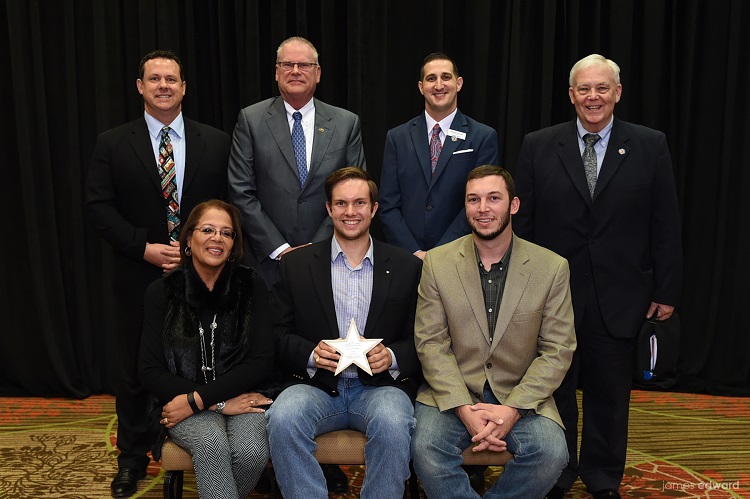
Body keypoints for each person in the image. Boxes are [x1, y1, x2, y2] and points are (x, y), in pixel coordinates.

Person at [513, 54, 683, 499]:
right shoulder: (539, 145)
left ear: (617, 93)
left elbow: (665, 223)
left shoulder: (650, 145)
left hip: (622, 294)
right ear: (571, 95)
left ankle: (604, 477)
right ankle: (558, 471)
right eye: (584, 89)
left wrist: (666, 290)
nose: (593, 97)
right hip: (554, 297)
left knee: (610, 395)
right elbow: (524, 225)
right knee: (556, 391)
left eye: (602, 88)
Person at [85, 50, 230, 498]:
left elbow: (230, 206)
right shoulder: (113, 143)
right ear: (140, 87)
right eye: (155, 79)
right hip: (136, 275)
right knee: (132, 374)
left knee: (205, 366)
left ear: (184, 87)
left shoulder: (216, 141)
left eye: (172, 79)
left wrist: (199, 251)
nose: (164, 85)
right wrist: (143, 249)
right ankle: (131, 460)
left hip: (204, 277)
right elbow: (97, 208)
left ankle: (217, 449)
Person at [411, 165, 576, 498]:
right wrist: (461, 408)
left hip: (521, 396)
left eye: (493, 198)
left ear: (513, 205)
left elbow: (558, 349)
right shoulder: (437, 263)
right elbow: (430, 343)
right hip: (452, 393)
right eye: (473, 200)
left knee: (551, 453)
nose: (483, 208)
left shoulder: (551, 267)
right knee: (426, 449)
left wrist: (512, 410)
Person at [266, 167, 422, 499]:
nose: (350, 212)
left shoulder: (408, 266)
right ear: (328, 208)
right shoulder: (296, 264)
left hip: (380, 389)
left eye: (359, 203)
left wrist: (393, 356)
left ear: (374, 208)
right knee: (282, 418)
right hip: (315, 386)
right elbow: (276, 334)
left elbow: (423, 337)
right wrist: (310, 353)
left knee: (395, 423)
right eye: (341, 204)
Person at [138, 200, 273, 499]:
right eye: (208, 230)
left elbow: (261, 360)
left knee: (251, 452)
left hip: (240, 396)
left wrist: (202, 399)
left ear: (234, 244)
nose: (217, 238)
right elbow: (149, 370)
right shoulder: (162, 291)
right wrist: (211, 403)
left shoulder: (251, 286)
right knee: (211, 442)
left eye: (227, 233)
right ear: (189, 238)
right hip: (179, 400)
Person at [228, 36, 367, 289]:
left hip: (331, 260)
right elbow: (240, 191)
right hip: (266, 265)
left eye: (303, 65)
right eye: (287, 64)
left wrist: (316, 248)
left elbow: (356, 191)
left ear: (318, 73)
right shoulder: (251, 120)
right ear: (276, 72)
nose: (295, 71)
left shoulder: (346, 123)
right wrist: (280, 249)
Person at [379, 52, 498, 259]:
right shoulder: (397, 137)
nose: (439, 85)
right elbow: (388, 205)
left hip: (460, 255)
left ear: (459, 83)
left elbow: (482, 204)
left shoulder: (482, 136)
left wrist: (440, 254)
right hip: (407, 258)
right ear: (421, 87)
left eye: (446, 77)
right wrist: (413, 251)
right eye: (431, 78)